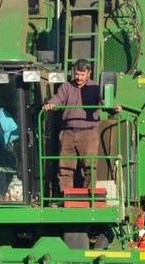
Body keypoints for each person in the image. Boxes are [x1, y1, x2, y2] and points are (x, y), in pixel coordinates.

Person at [42, 59, 101, 193]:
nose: (78, 77)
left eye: (82, 74)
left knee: (90, 167)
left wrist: (114, 107)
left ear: (89, 73)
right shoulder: (66, 87)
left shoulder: (95, 88)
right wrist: (51, 104)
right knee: (65, 168)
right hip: (68, 132)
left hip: (89, 132)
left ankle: (89, 198)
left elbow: (106, 101)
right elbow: (58, 98)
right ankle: (66, 198)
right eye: (76, 74)